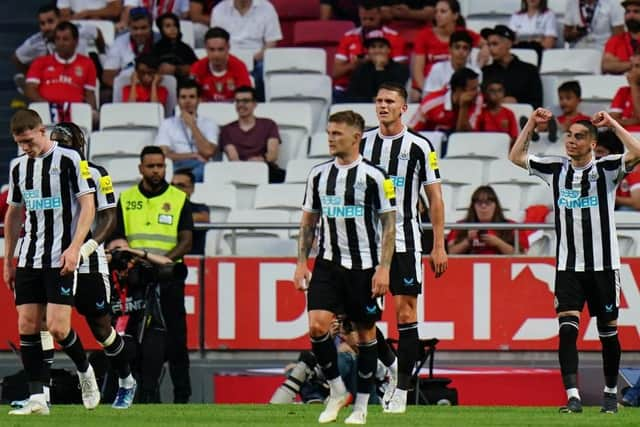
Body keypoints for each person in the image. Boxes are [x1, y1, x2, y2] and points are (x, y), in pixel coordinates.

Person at [509, 108, 640, 413]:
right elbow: (516, 157)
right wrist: (531, 123)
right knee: (568, 329)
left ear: (593, 143)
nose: (571, 141)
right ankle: (573, 396)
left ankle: (610, 392)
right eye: (568, 135)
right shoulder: (555, 169)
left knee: (608, 332)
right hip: (569, 267)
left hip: (604, 267)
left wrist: (612, 124)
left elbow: (637, 152)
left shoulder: (607, 169)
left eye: (579, 136)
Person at [293, 110, 396, 424]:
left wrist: (384, 268)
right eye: (329, 133)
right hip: (327, 264)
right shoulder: (318, 174)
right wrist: (300, 263)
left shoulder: (377, 177)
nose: (331, 138)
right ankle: (337, 391)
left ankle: (362, 406)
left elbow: (390, 225)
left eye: (337, 133)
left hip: (364, 268)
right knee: (317, 327)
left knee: (365, 335)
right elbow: (308, 220)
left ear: (356, 137)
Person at [361, 82, 448, 413]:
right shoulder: (364, 143)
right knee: (355, 321)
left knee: (405, 313)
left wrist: (438, 245)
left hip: (405, 242)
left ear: (403, 108)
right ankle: (394, 367)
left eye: (390, 101)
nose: (383, 106)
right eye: (379, 100)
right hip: (366, 246)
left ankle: (401, 390)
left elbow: (435, 198)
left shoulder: (419, 146)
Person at [4, 109, 98, 415]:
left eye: (29, 141)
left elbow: (88, 206)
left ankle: (85, 369)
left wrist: (74, 248)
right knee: (28, 326)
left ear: (41, 131)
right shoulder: (18, 166)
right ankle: (38, 399)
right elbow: (14, 213)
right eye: (20, 143)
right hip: (29, 257)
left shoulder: (70, 159)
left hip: (60, 256)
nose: (26, 148)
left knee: (58, 329)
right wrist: (9, 260)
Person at [48, 122, 137, 409]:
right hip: (52, 258)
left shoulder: (98, 174)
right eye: (55, 143)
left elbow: (109, 217)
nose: (59, 149)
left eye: (64, 143)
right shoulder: (42, 173)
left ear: (79, 145)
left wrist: (86, 248)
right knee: (49, 325)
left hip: (87, 260)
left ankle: (126, 380)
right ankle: (74, 377)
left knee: (102, 328)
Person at [111, 145, 193, 403]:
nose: (157, 171)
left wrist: (163, 261)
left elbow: (187, 240)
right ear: (141, 168)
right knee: (135, 338)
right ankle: (140, 394)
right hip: (136, 279)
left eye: (160, 166)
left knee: (177, 339)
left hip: (169, 277)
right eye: (151, 166)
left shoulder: (179, 199)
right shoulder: (126, 199)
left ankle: (182, 397)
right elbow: (117, 235)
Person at [13, 4, 104, 91]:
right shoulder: (36, 42)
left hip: (82, 78)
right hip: (55, 82)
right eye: (42, 23)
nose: (47, 27)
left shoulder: (80, 30)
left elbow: (97, 32)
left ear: (60, 19)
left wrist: (102, 52)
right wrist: (31, 75)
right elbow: (17, 57)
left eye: (50, 21)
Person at [332, 0, 407, 101]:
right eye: (364, 19)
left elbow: (401, 73)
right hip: (348, 90)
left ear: (380, 14)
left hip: (385, 90)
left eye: (371, 19)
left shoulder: (394, 37)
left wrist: (381, 65)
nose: (367, 22)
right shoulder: (348, 36)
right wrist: (354, 65)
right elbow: (335, 73)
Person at [411, 0, 484, 102]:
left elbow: (484, 44)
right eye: (436, 12)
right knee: (415, 95)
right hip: (429, 85)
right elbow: (418, 70)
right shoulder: (424, 35)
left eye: (443, 11)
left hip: (457, 84)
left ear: (455, 15)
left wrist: (480, 60)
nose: (438, 15)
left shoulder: (463, 34)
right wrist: (426, 91)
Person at [210, 0, 283, 100]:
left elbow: (272, 42)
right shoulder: (219, 10)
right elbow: (215, 41)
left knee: (263, 70)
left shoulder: (267, 8)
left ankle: (259, 105)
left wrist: (253, 59)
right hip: (227, 59)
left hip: (257, 60)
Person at [25, 21, 98, 120]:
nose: (60, 43)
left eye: (65, 39)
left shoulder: (87, 63)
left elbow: (89, 94)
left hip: (75, 114)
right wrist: (48, 107)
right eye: (57, 39)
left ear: (76, 41)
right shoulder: (40, 62)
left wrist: (92, 112)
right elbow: (30, 90)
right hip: (46, 113)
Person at [155, 79, 219, 182]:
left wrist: (192, 125)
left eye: (192, 97)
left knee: (204, 170)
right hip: (176, 166)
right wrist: (193, 155)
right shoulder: (167, 124)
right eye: (183, 97)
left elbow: (208, 151)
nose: (187, 101)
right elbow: (163, 154)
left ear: (199, 100)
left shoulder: (209, 123)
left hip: (201, 167)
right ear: (177, 100)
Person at [219, 86, 285, 183]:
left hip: (266, 169)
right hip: (239, 171)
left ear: (255, 104)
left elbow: (273, 154)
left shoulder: (269, 124)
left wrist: (260, 160)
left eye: (245, 101)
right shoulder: (227, 129)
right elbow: (233, 158)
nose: (241, 104)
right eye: (237, 101)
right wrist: (249, 165)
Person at [481, 24, 543, 108]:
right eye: (489, 45)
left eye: (495, 44)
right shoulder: (485, 71)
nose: (491, 48)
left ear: (508, 44)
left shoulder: (529, 70)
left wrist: (518, 102)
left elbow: (537, 102)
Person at [446, 185, 517, 255]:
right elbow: (449, 253)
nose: (483, 206)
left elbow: (521, 254)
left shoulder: (510, 226)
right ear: (473, 206)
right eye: (479, 203)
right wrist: (468, 241)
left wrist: (498, 243)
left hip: (501, 266)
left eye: (488, 203)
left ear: (495, 206)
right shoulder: (461, 226)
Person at [409, 67, 483, 132]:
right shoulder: (431, 103)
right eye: (473, 89)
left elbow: (466, 136)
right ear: (459, 90)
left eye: (477, 87)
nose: (477, 92)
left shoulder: (478, 99)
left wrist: (464, 107)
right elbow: (411, 130)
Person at [189, 27, 252, 102]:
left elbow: (246, 98)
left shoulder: (239, 66)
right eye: (212, 49)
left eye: (220, 49)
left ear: (228, 47)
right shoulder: (197, 67)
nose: (216, 55)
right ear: (205, 48)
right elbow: (191, 97)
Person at [103, 6, 157, 89]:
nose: (139, 32)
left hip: (156, 90)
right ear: (129, 27)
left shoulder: (161, 41)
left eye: (143, 28)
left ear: (151, 26)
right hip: (126, 91)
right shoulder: (119, 42)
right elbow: (107, 77)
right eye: (135, 28)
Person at [346, 32, 409, 102]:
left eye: (381, 46)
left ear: (389, 50)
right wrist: (370, 99)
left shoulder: (400, 69)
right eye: (373, 47)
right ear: (368, 51)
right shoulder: (360, 70)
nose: (377, 51)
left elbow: (397, 95)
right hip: (364, 108)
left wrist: (379, 68)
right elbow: (351, 95)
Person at [422, 29, 480, 96]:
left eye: (465, 48)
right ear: (450, 49)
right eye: (457, 47)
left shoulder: (476, 72)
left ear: (470, 51)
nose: (461, 52)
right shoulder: (437, 69)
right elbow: (428, 97)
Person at [171, 168, 209, 255]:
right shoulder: (161, 207)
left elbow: (204, 218)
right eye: (172, 185)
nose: (174, 189)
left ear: (192, 188)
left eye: (180, 185)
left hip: (192, 261)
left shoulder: (200, 208)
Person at [152, 12, 198, 79]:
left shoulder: (185, 48)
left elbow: (197, 67)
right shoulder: (156, 48)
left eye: (175, 25)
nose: (172, 29)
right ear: (161, 29)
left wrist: (176, 69)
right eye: (168, 26)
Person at [475, 79, 519, 143]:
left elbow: (514, 137)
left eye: (499, 90)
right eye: (492, 91)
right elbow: (476, 136)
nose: (496, 94)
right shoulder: (480, 113)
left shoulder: (509, 113)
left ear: (504, 93)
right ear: (485, 93)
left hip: (504, 149)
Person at [602, 0, 640, 74]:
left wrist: (621, 64)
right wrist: (632, 64)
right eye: (627, 12)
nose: (631, 15)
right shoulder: (615, 40)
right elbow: (607, 65)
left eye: (636, 11)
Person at [610, 54, 640, 131]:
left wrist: (633, 85)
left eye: (637, 66)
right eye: (631, 67)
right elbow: (611, 121)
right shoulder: (623, 91)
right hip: (624, 137)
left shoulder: (632, 86)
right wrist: (635, 121)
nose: (632, 70)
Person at [117, 0, 189, 32]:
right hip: (144, 29)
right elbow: (129, 9)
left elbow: (185, 15)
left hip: (169, 31)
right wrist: (124, 22)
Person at [57, 0, 122, 21]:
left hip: (104, 21)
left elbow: (115, 10)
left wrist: (88, 13)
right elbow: (64, 16)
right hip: (77, 24)